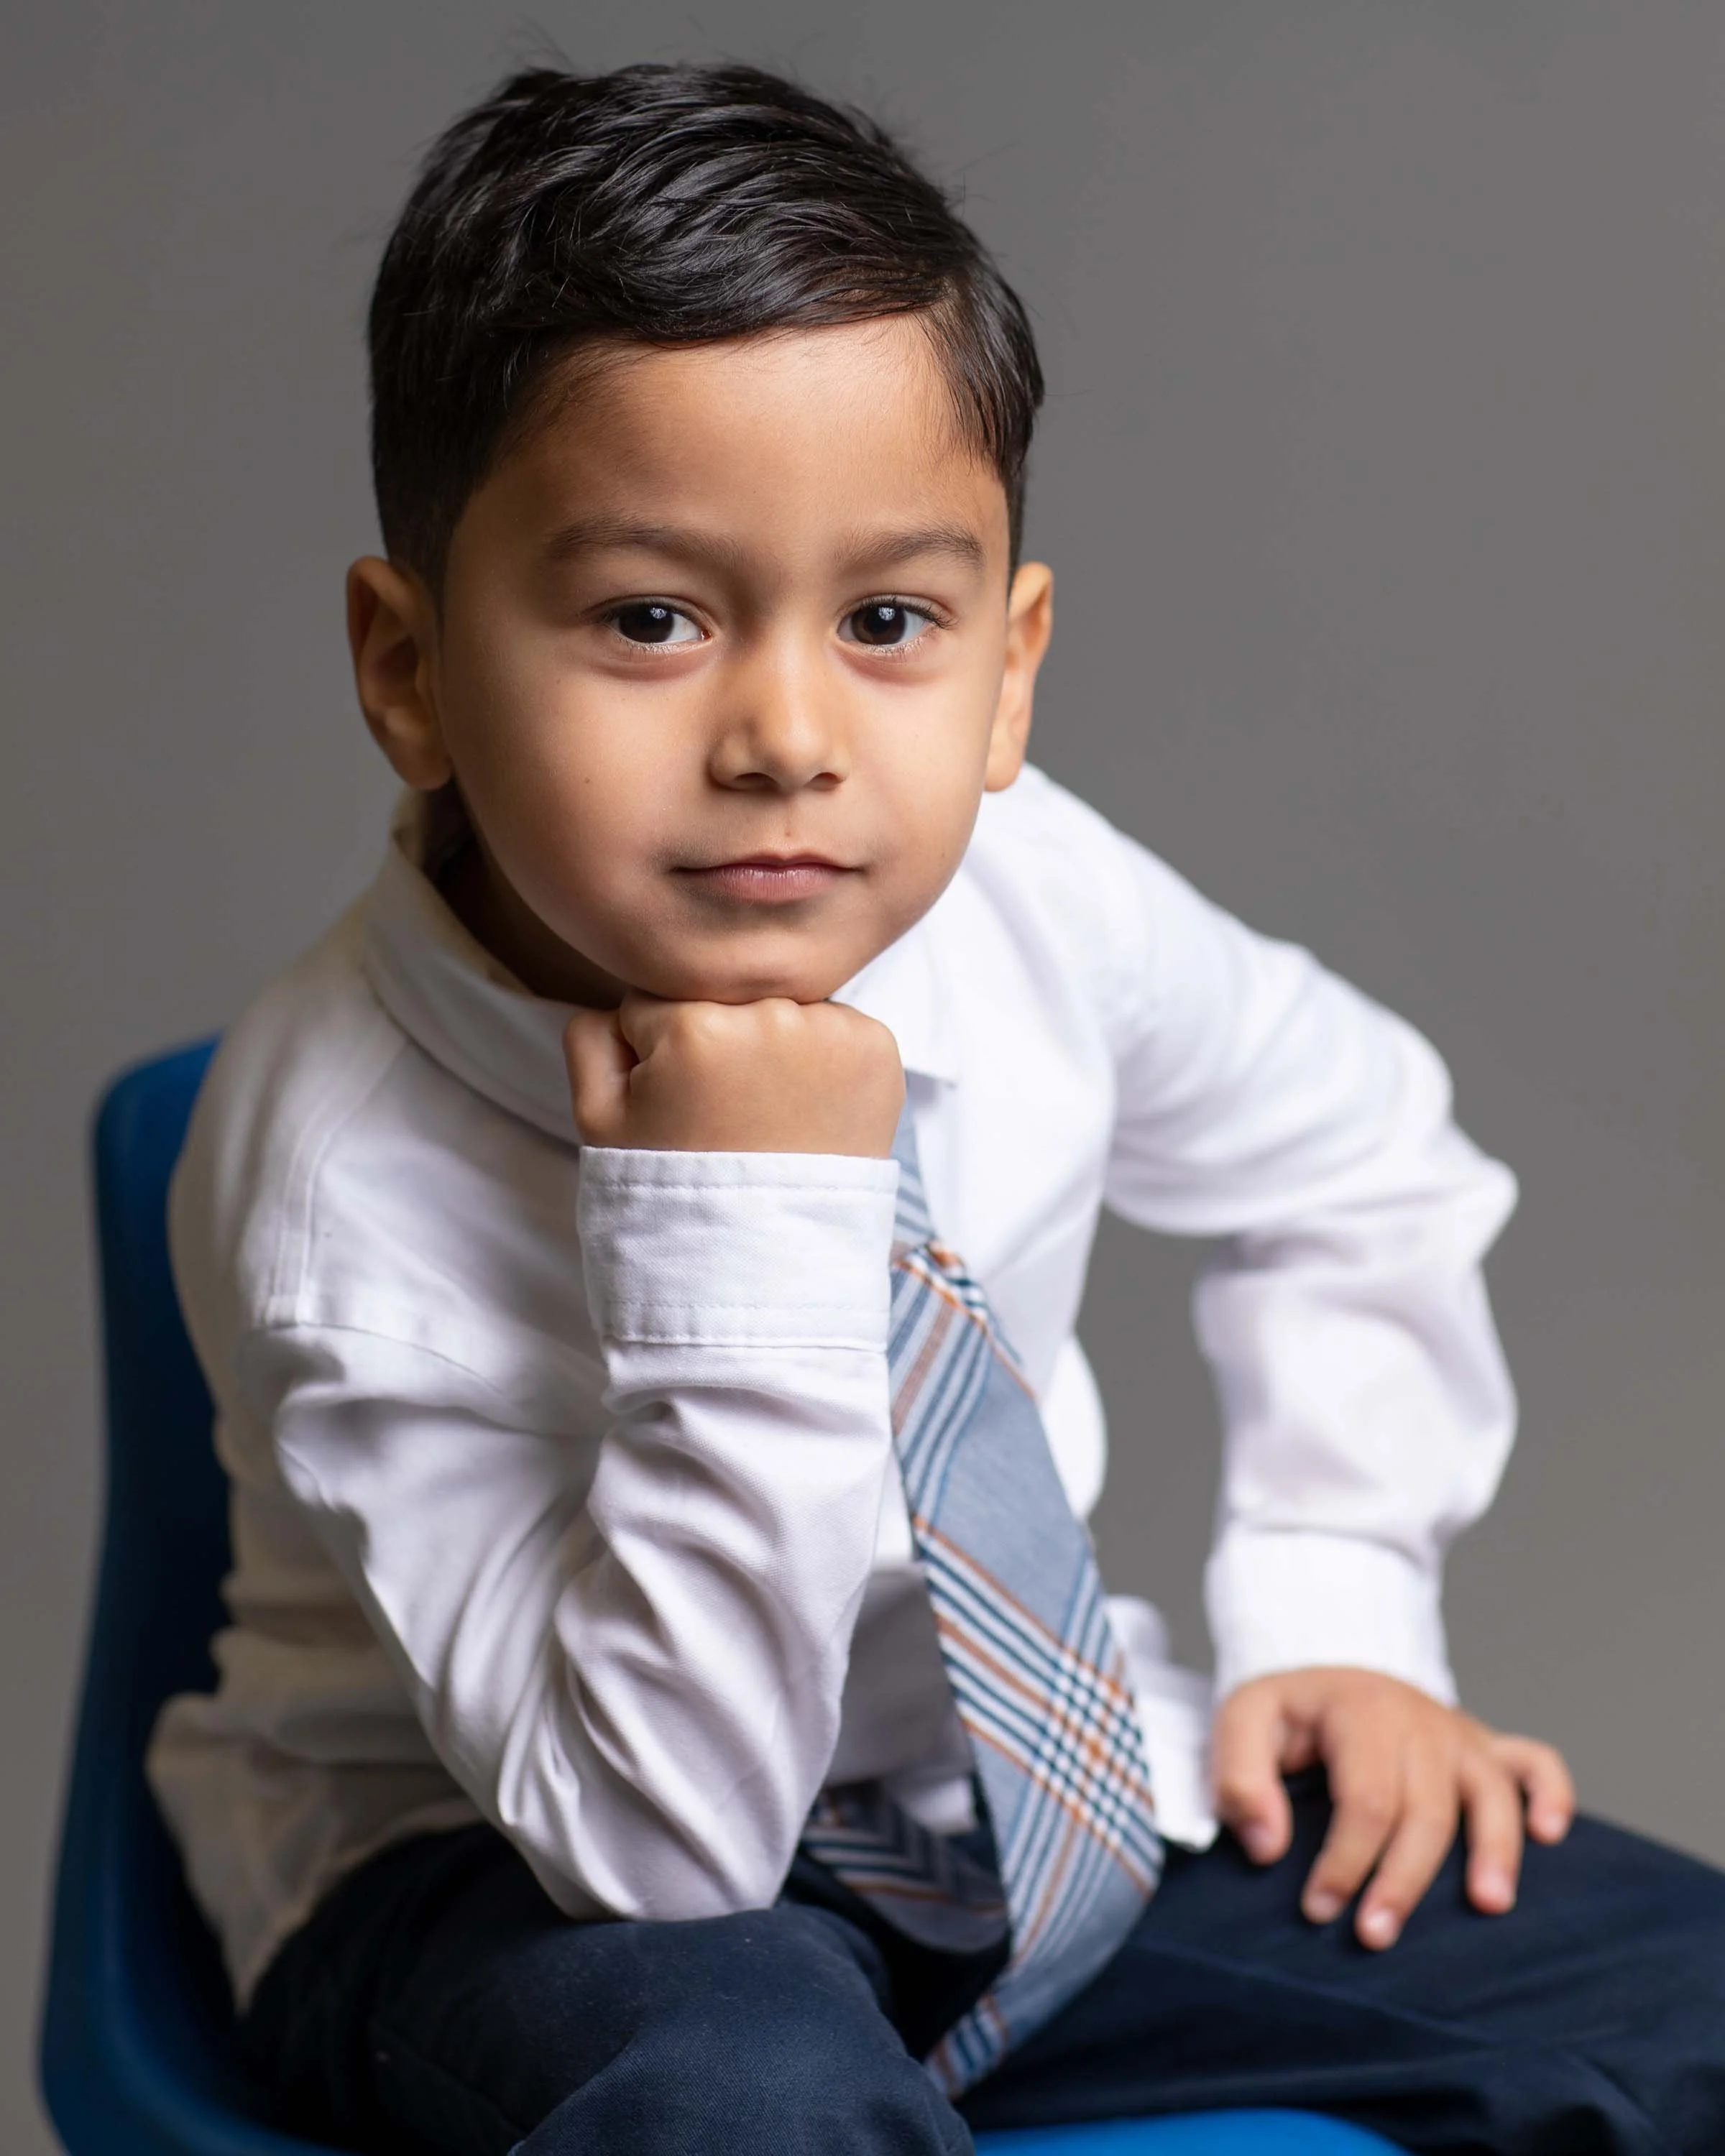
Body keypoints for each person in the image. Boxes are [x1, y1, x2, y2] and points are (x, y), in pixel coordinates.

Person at [145, 60, 1725, 2156]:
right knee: (741, 2099)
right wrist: (748, 1225)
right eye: (651, 619)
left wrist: (1343, 1609)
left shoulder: (1038, 895)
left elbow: (1367, 1153)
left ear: (1012, 670)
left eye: (891, 622)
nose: (787, 736)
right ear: (409, 667)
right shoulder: (341, 1181)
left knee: (1679, 2000)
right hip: (506, 1868)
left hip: (996, 1805)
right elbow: (659, 1847)